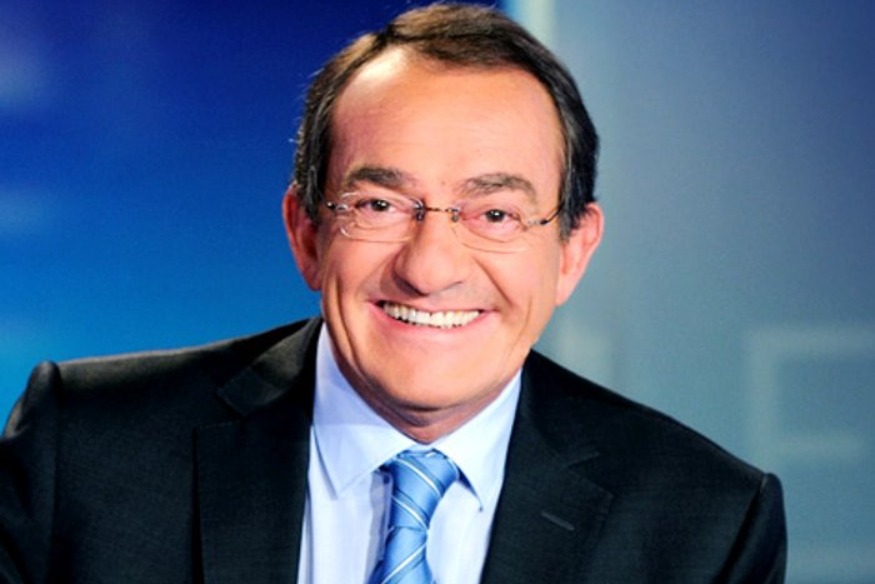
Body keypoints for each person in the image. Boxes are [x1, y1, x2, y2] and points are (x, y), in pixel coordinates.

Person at [0, 3, 786, 583]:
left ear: (572, 251)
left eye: (495, 214)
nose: (430, 268)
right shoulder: (86, 451)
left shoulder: (705, 524)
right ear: (306, 233)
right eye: (379, 205)